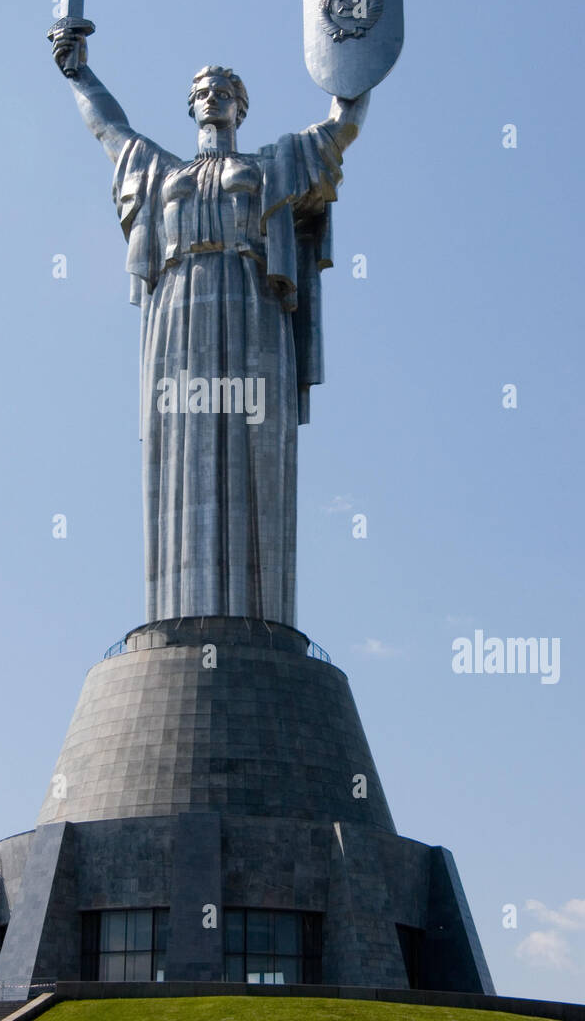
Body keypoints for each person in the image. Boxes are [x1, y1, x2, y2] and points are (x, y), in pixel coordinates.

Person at [53, 32, 369, 628]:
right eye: (203, 90)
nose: (213, 96)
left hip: (253, 304)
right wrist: (80, 76)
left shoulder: (271, 164)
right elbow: (109, 131)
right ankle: (178, 617)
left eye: (225, 90)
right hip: (178, 309)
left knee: (256, 444)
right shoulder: (160, 171)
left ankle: (257, 619)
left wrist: (353, 69)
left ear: (240, 107)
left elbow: (340, 129)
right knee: (182, 447)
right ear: (192, 104)